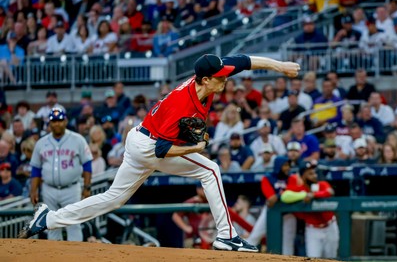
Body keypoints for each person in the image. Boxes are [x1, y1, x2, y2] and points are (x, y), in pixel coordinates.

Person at [19, 53, 300, 252]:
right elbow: (163, 151)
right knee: (210, 169)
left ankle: (48, 218)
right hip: (151, 145)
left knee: (112, 199)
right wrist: (197, 147)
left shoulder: (209, 78)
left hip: (141, 137)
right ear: (203, 79)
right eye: (219, 78)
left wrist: (280, 67)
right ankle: (227, 236)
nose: (224, 81)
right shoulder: (181, 104)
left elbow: (245, 60)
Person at [28, 108, 92, 241]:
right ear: (49, 123)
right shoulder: (41, 143)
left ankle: (75, 258)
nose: (57, 124)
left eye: (60, 120)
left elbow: (87, 165)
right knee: (51, 226)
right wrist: (33, 190)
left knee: (74, 224)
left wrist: (87, 187)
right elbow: (36, 169)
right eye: (54, 121)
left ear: (66, 121)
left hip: (71, 189)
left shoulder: (77, 139)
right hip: (48, 189)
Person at [286, 161, 339, 258]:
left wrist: (314, 195)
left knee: (331, 258)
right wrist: (303, 195)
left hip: (330, 226)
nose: (314, 176)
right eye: (310, 174)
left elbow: (330, 191)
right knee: (313, 258)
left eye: (314, 173)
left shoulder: (321, 184)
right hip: (313, 230)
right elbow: (285, 196)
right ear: (303, 176)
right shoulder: (300, 189)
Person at [246, 156, 297, 255]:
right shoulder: (268, 178)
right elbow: (270, 198)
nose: (288, 168)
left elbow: (292, 192)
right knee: (254, 236)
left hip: (288, 214)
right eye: (285, 165)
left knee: (288, 245)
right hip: (271, 211)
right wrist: (282, 194)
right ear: (278, 166)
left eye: (289, 166)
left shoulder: (292, 178)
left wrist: (278, 195)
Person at [172, 183, 211, 249]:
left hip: (209, 237)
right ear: (197, 189)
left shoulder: (211, 202)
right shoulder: (191, 202)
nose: (204, 191)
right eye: (202, 188)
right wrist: (186, 228)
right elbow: (175, 216)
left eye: (206, 188)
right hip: (193, 237)